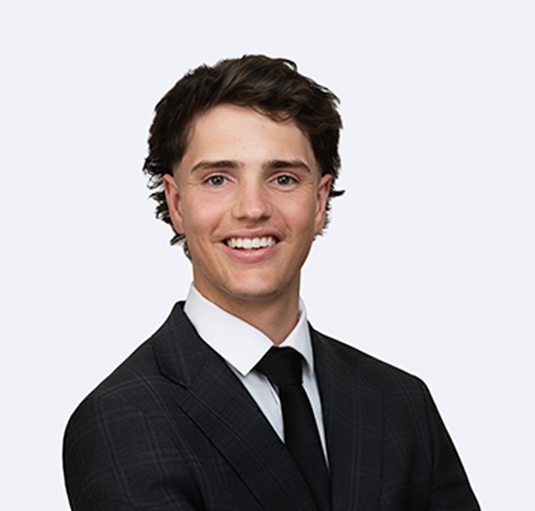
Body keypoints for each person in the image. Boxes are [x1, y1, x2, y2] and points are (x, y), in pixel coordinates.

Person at [63, 55, 480, 511]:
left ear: (319, 201)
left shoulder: (401, 402)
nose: (253, 208)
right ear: (177, 204)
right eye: (218, 179)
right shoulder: (120, 419)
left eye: (282, 178)